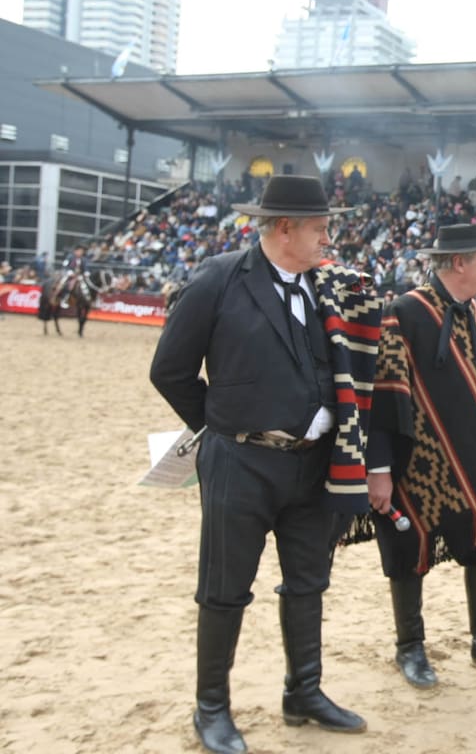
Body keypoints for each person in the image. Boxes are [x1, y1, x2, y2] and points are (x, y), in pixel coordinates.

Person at [150, 175, 377, 753]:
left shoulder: (325, 286)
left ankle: (303, 693)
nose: (330, 237)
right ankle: (212, 708)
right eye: (321, 227)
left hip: (312, 466)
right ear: (285, 228)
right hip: (240, 462)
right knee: (224, 589)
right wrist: (225, 425)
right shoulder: (220, 278)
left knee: (308, 582)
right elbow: (170, 370)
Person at [366, 223, 476, 690]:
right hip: (415, 461)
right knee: (408, 549)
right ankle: (411, 649)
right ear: (459, 263)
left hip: (473, 453)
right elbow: (383, 397)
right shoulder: (404, 312)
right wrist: (378, 469)